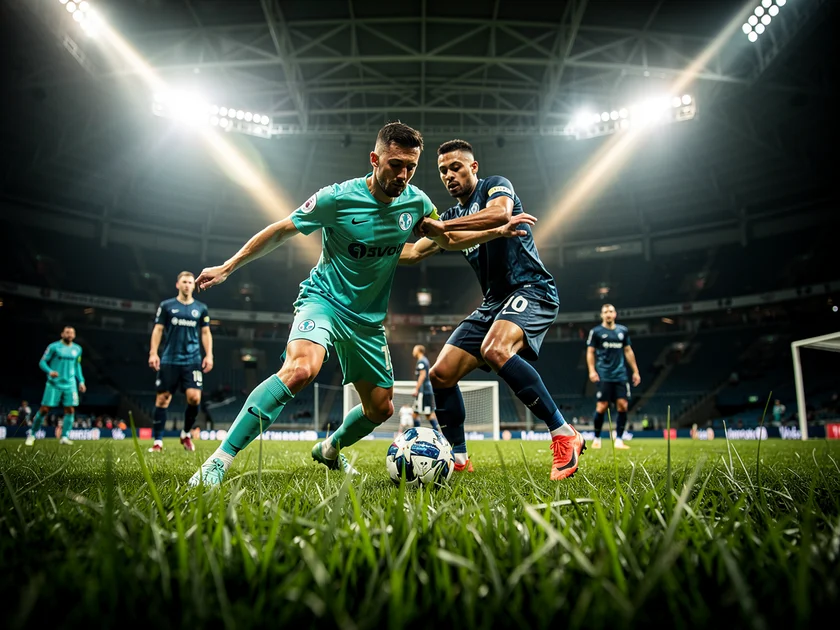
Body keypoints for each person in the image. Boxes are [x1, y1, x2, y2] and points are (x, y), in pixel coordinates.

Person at [187, 122, 528, 486]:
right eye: (395, 164)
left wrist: (496, 231)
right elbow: (282, 229)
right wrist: (228, 266)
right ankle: (219, 459)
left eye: (411, 167)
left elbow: (442, 241)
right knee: (301, 370)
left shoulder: (416, 203)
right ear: (374, 160)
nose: (403, 175)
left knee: (380, 408)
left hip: (367, 322)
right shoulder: (336, 198)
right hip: (324, 301)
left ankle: (330, 448)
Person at [399, 139, 585, 481]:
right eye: (442, 171)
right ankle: (458, 458)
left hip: (531, 289)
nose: (449, 175)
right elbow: (412, 253)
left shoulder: (494, 187)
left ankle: (563, 434)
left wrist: (443, 228)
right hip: (493, 303)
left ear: (473, 167)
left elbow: (500, 214)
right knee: (441, 374)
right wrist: (362, 249)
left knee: (495, 349)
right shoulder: (451, 216)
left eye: (456, 167)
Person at [148, 271, 214, 453]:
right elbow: (158, 329)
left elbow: (206, 332)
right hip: (170, 358)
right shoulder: (167, 306)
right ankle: (158, 442)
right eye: (184, 282)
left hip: (192, 359)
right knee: (163, 399)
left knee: (194, 398)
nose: (187, 285)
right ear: (178, 284)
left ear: (194, 285)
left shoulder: (201, 308)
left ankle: (185, 434)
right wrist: (153, 353)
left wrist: (209, 355)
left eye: (190, 282)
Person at [586, 304, 641, 450]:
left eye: (610, 311)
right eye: (605, 312)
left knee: (623, 405)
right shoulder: (596, 332)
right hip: (604, 374)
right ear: (602, 315)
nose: (608, 314)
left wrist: (635, 371)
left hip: (620, 375)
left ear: (615, 314)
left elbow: (628, 351)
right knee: (602, 406)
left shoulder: (623, 331)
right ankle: (597, 438)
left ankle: (619, 439)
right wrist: (591, 370)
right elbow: (590, 352)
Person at [26, 326, 86, 446]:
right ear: (62, 334)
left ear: (74, 335)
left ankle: (64, 436)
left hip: (70, 384)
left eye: (72, 333)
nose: (69, 335)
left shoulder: (77, 349)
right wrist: (50, 371)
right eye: (67, 332)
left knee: (70, 409)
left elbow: (77, 366)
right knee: (45, 409)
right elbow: (42, 362)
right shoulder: (53, 347)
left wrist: (81, 381)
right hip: (54, 383)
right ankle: (32, 434)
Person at [411, 345, 440, 431]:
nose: (413, 352)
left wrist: (416, 389)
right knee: (421, 414)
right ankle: (435, 431)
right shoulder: (423, 360)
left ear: (419, 351)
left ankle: (435, 433)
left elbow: (422, 375)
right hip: (425, 391)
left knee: (423, 414)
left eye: (414, 350)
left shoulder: (422, 361)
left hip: (423, 392)